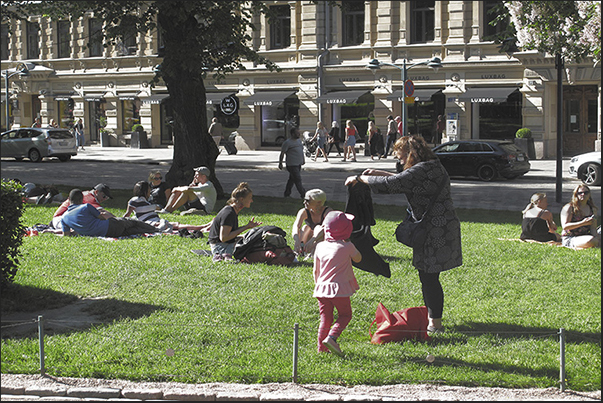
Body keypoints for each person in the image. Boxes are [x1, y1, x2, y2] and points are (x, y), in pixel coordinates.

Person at [344, 135, 462, 334]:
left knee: (429, 276)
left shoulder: (421, 169)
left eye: (400, 158)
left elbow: (394, 184)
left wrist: (359, 178)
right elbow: (405, 180)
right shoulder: (432, 165)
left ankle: (435, 324)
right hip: (442, 226)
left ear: (411, 155)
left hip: (433, 230)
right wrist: (380, 173)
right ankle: (434, 318)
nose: (399, 161)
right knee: (429, 276)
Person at [313, 210, 362, 356]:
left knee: (325, 318)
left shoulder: (320, 247)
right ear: (347, 229)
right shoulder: (348, 247)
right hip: (339, 290)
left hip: (321, 288)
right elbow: (358, 259)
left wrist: (318, 285)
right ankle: (332, 338)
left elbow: (316, 270)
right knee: (345, 315)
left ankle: (321, 348)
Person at [61, 189, 159, 238]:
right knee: (131, 222)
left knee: (132, 231)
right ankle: (155, 229)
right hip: (109, 226)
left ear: (69, 200)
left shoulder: (64, 217)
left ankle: (152, 230)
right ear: (82, 199)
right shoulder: (86, 207)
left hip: (108, 234)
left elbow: (67, 235)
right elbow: (101, 217)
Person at [124, 181, 211, 233]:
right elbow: (128, 214)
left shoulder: (145, 201)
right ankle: (201, 227)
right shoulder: (134, 200)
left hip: (155, 220)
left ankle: (202, 227)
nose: (150, 191)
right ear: (145, 190)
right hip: (150, 223)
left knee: (176, 225)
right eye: (149, 189)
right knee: (176, 225)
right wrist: (120, 222)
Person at [207, 182, 262, 260]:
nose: (251, 200)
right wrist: (246, 227)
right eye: (250, 197)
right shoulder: (228, 213)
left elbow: (229, 233)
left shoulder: (233, 211)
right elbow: (224, 238)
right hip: (220, 247)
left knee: (252, 237)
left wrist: (248, 227)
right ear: (241, 199)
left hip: (224, 244)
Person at [51, 183, 115, 230]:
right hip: (60, 219)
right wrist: (118, 220)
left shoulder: (87, 194)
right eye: (104, 196)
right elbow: (102, 212)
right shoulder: (90, 198)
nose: (104, 199)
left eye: (107, 198)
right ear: (96, 192)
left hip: (66, 219)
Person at [292, 189, 333, 258]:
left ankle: (313, 253)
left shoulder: (327, 212)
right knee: (305, 228)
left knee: (318, 228)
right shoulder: (304, 211)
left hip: (322, 240)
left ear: (318, 202)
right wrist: (297, 240)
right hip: (309, 241)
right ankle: (300, 250)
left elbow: (326, 229)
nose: (304, 202)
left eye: (308, 200)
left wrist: (313, 240)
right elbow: (296, 225)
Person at [560, 185, 600, 249]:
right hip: (570, 238)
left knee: (595, 239)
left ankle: (595, 242)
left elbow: (593, 228)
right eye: (580, 193)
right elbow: (565, 226)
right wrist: (583, 223)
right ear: (576, 195)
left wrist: (596, 236)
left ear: (589, 195)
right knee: (591, 240)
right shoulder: (569, 207)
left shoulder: (592, 209)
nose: (583, 194)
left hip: (586, 235)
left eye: (586, 193)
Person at [278, 127, 306, 199]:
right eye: (297, 133)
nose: (299, 134)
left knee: (292, 180)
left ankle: (287, 194)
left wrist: (303, 160)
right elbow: (282, 153)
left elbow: (301, 151)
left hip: (298, 163)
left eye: (299, 133)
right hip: (291, 164)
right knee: (297, 179)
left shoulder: (299, 141)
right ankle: (304, 195)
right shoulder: (287, 142)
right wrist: (280, 163)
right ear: (292, 134)